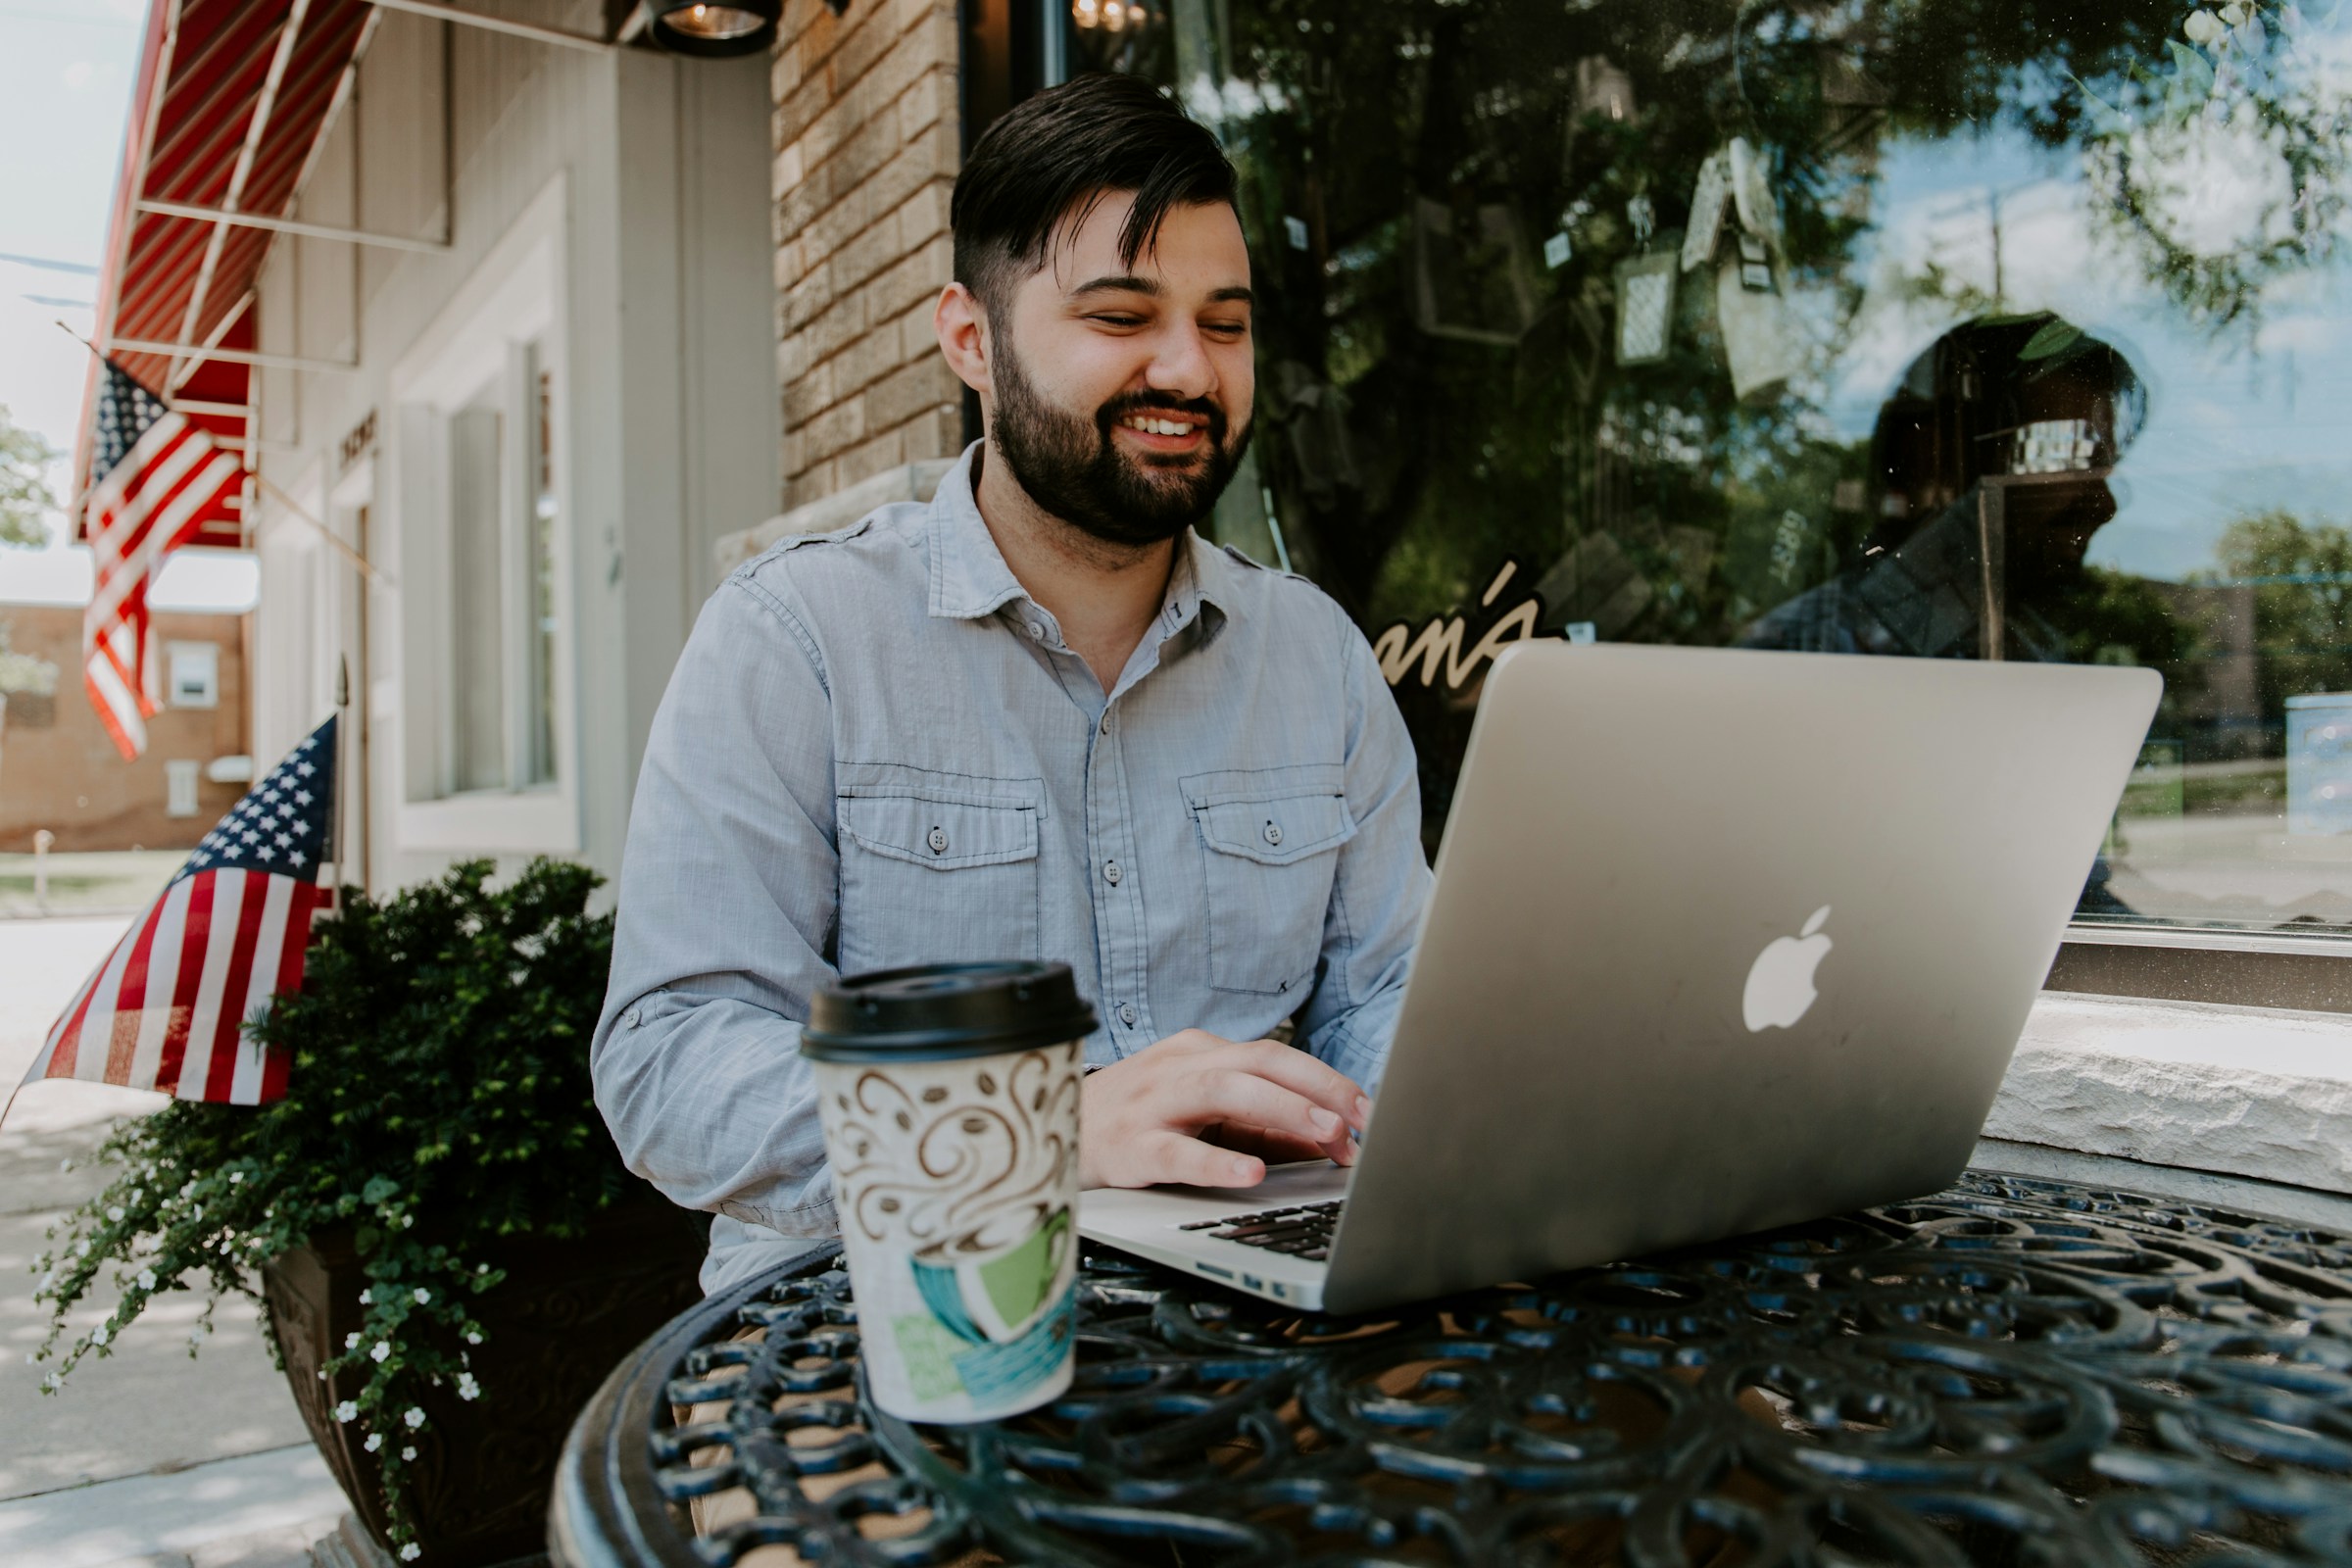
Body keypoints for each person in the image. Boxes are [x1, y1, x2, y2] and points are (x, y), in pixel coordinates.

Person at [591, 74, 1433, 1293]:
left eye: (1226, 321)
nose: (1190, 370)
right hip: (873, 1333)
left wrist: (1411, 1115)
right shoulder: (795, 639)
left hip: (1248, 1319)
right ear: (970, 339)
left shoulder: (1319, 657)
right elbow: (672, 1065)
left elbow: (1389, 994)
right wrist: (1041, 1134)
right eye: (1122, 315)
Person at [1739, 313, 2148, 662]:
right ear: (1946, 465)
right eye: (2068, 460)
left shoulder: (2031, 651)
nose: (2104, 503)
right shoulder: (1801, 654)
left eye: (2105, 466)